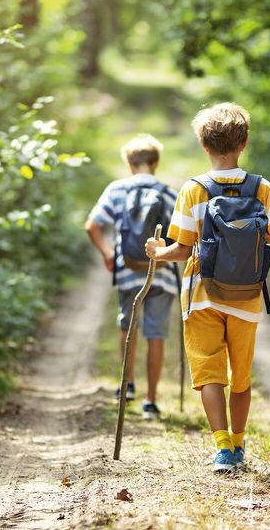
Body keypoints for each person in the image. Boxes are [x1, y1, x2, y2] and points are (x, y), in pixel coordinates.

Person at [145, 103, 270, 472]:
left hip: (202, 296)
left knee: (209, 373)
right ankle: (240, 444)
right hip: (247, 297)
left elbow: (181, 248)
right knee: (241, 377)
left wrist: (157, 253)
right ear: (243, 143)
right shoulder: (263, 188)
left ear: (204, 146)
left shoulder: (193, 190)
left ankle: (222, 447)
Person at [86, 134, 179, 420]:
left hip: (127, 271)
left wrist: (107, 253)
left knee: (128, 327)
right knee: (157, 334)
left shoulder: (116, 190)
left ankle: (126, 386)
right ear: (156, 162)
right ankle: (150, 401)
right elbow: (184, 233)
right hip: (160, 273)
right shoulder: (167, 191)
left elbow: (92, 225)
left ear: (129, 163)